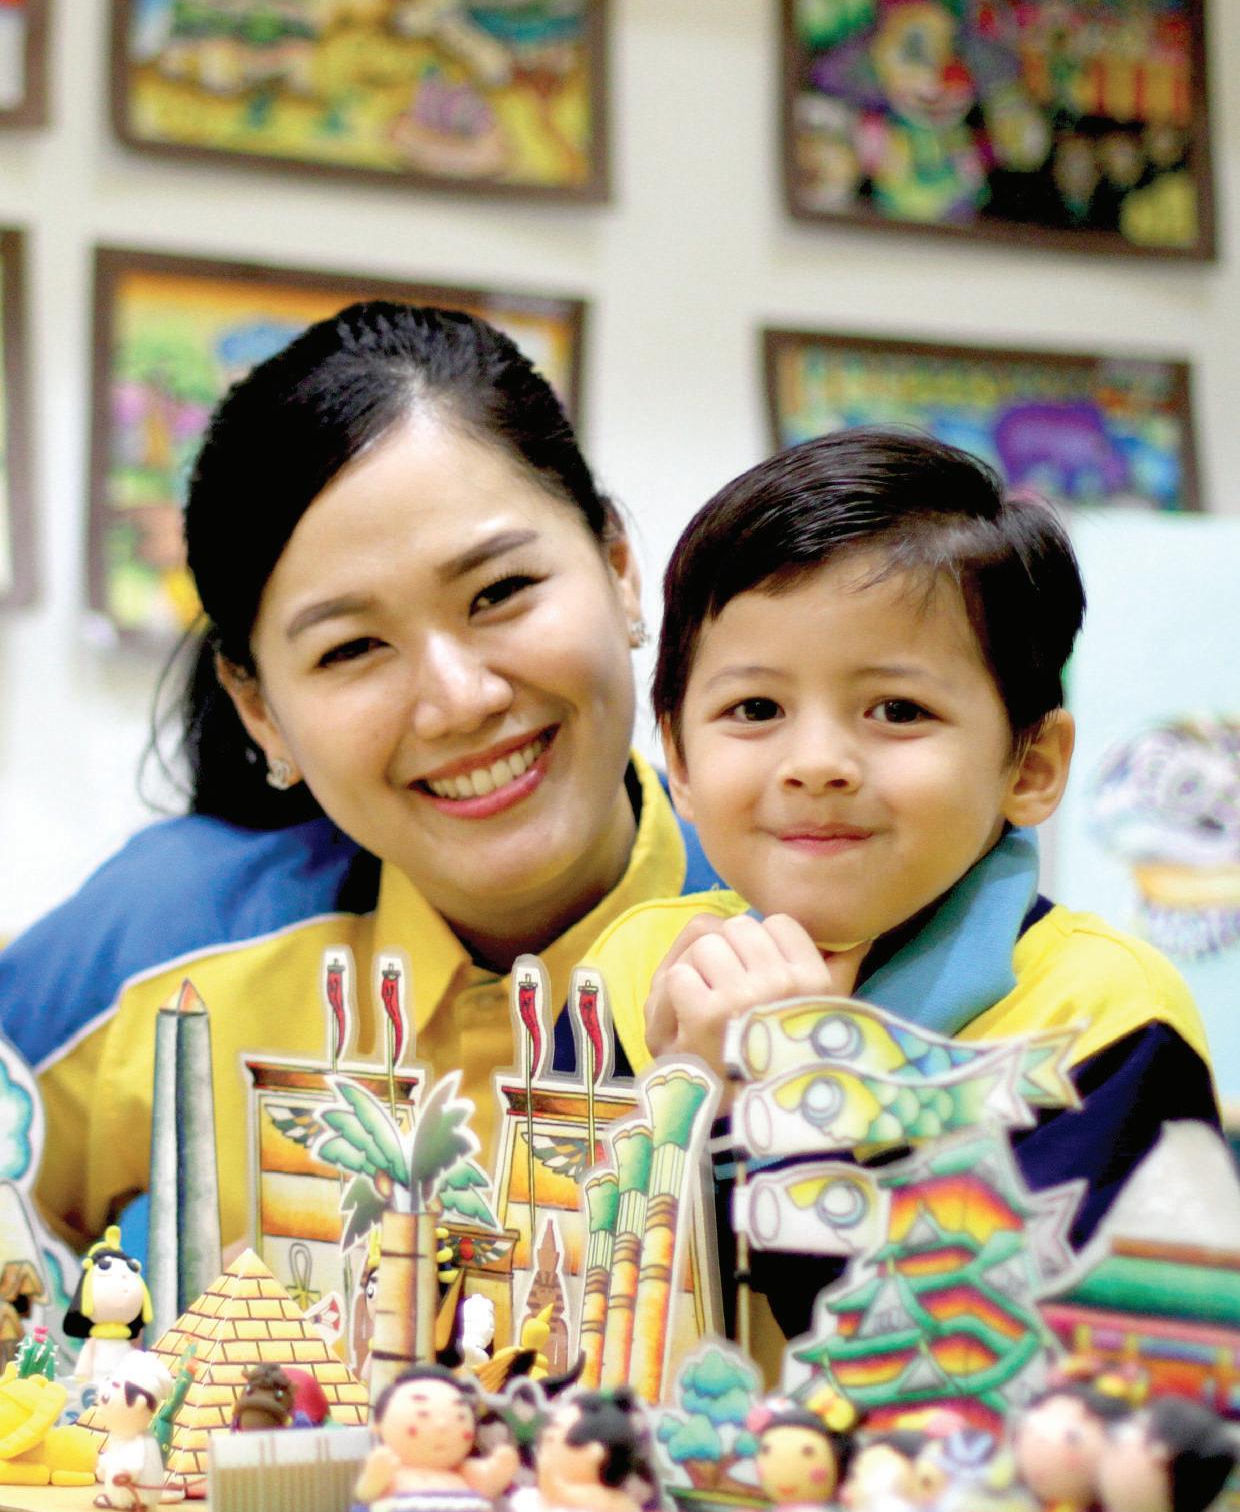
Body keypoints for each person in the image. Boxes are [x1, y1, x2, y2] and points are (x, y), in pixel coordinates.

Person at [0, 304, 720, 1253]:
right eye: (351, 648)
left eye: (500, 592)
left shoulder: (824, 908)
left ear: (620, 568)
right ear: (261, 709)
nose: (459, 701)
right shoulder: (156, 949)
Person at [584, 431, 1226, 1337]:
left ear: (1032, 764)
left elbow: (1027, 1379)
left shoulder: (1101, 1016)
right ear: (680, 760)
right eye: (756, 709)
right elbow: (558, 1305)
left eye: (897, 710)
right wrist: (683, 1109)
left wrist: (794, 1110)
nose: (816, 762)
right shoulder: (634, 973)